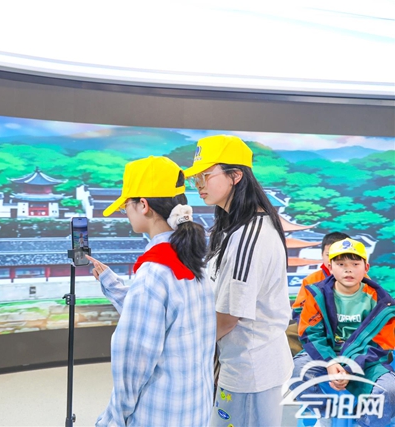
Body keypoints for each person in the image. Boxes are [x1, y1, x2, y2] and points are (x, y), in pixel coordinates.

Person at [87, 156, 216, 427]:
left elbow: (133, 362)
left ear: (143, 205)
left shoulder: (153, 273)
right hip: (194, 410)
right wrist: (112, 284)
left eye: (127, 205)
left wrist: (112, 420)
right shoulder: (193, 259)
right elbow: (162, 323)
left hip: (157, 414)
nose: (126, 212)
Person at [183, 134, 293, 426]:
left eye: (206, 175)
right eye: (196, 178)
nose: (199, 185)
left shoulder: (248, 236)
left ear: (235, 176)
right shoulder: (235, 227)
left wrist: (186, 346)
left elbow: (229, 317)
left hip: (250, 368)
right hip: (239, 361)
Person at [290, 238, 395, 426]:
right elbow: (311, 334)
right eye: (341, 264)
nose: (348, 270)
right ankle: (326, 414)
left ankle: (363, 422)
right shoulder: (317, 294)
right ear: (330, 267)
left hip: (366, 359)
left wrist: (350, 367)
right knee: (296, 371)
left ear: (366, 267)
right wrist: (331, 362)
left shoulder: (382, 301)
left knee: (390, 390)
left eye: (355, 264)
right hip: (327, 353)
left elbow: (382, 343)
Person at [287, 232, 351, 355]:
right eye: (329, 255)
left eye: (341, 255)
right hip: (315, 325)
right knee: (288, 333)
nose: (334, 259)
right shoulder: (311, 280)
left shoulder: (361, 278)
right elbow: (299, 310)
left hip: (350, 325)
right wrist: (314, 326)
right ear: (321, 255)